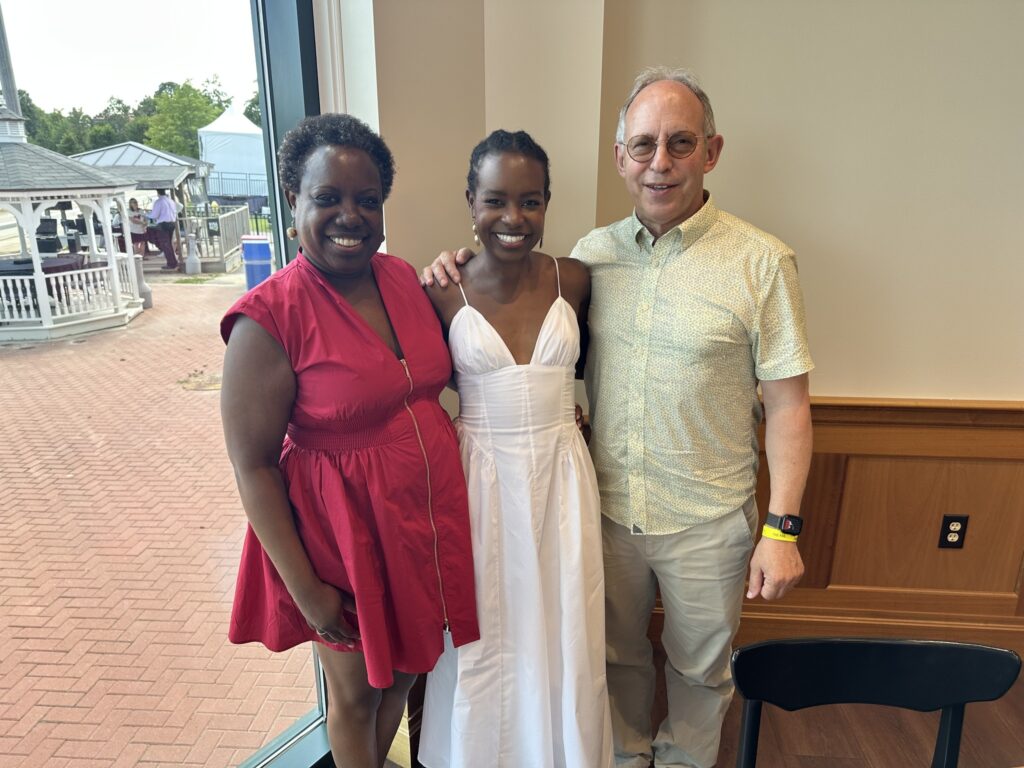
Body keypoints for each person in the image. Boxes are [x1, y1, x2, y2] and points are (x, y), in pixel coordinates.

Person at [424, 67, 814, 768]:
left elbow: (789, 404)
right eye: (642, 146)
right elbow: (530, 338)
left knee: (700, 673)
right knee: (612, 663)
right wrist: (453, 263)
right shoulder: (590, 260)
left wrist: (781, 528)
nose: (659, 163)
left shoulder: (762, 262)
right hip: (599, 510)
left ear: (712, 151)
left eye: (680, 143)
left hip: (707, 517)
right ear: (620, 158)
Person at [219, 113, 478, 768]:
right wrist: (305, 588)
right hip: (342, 541)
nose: (349, 216)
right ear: (294, 201)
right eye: (327, 198)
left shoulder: (399, 278)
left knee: (410, 671)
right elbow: (252, 467)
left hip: (419, 529)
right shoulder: (270, 317)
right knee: (357, 698)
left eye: (367, 200)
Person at [417, 129, 613, 768]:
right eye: (496, 200)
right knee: (487, 632)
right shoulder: (441, 289)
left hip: (562, 468)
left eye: (531, 202)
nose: (513, 218)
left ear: (548, 204)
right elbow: (427, 383)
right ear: (470, 201)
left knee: (567, 620)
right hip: (480, 478)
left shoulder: (575, 279)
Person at [148, 188, 179, 271]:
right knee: (168, 243)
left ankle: (171, 263)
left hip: (163, 224)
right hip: (172, 223)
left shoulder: (159, 202)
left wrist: (147, 215)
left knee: (165, 244)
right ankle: (173, 262)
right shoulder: (171, 201)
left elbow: (154, 215)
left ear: (158, 193)